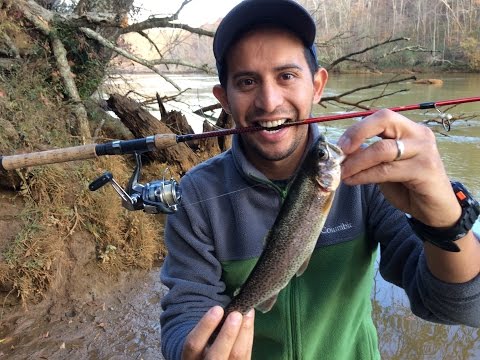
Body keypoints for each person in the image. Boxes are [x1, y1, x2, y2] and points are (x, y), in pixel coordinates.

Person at [160, 0, 480, 359]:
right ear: (225, 100)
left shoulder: (369, 178)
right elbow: (184, 313)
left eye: (287, 76)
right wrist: (192, 351)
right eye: (247, 81)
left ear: (317, 85)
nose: (269, 101)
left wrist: (448, 220)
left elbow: (462, 309)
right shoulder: (196, 194)